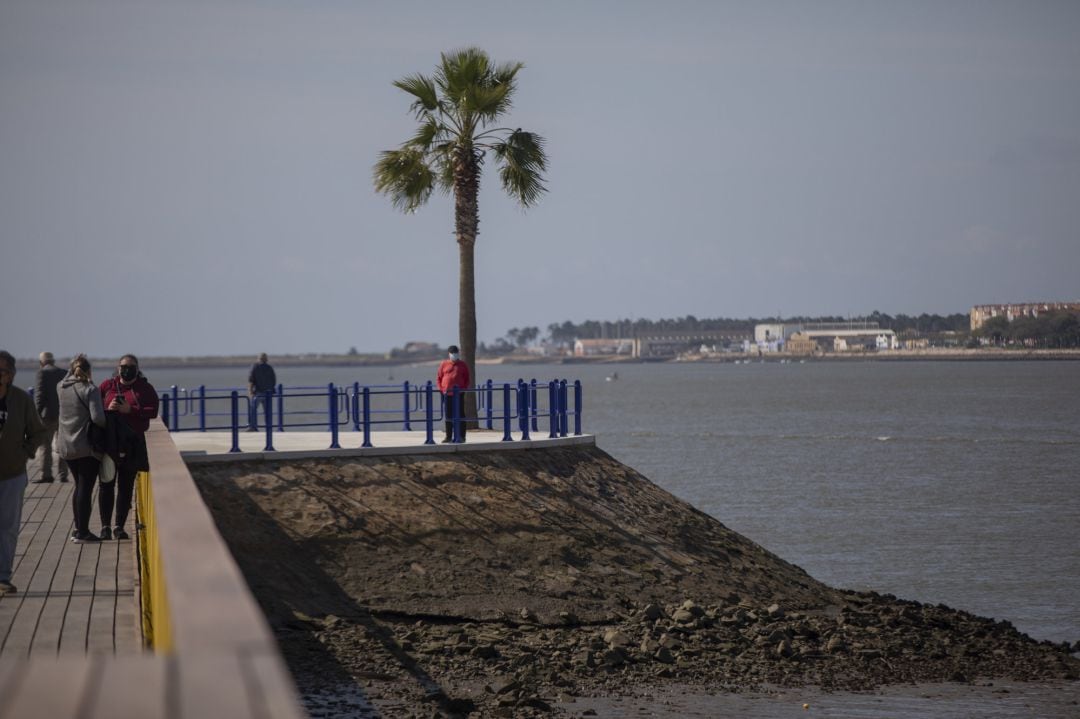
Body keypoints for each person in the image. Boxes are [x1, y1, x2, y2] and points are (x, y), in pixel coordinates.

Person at [0, 350, 46, 596]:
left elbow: (39, 431)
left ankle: (3, 577)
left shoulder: (20, 400)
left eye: (3, 372)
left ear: (12, 375)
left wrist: (25, 452)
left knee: (7, 527)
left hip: (12, 473)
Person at [98, 354, 159, 541]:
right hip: (110, 445)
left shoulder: (145, 388)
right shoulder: (107, 386)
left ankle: (119, 527)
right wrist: (108, 406)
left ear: (137, 368)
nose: (126, 369)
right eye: (123, 366)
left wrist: (130, 410)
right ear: (118, 368)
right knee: (106, 485)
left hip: (132, 445)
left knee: (125, 487)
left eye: (131, 366)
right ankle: (105, 527)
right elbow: (94, 409)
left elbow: (153, 411)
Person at [56, 355, 107, 542]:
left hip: (66, 446)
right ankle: (83, 532)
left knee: (79, 487)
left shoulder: (60, 387)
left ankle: (78, 530)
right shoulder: (90, 389)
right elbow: (98, 418)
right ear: (88, 370)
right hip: (85, 446)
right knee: (85, 488)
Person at [32, 351, 69, 484]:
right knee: (62, 446)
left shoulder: (42, 373)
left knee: (45, 446)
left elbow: (39, 396)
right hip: (63, 415)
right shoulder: (64, 372)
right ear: (53, 361)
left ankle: (46, 475)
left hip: (47, 416)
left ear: (41, 362)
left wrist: (35, 415)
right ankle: (63, 474)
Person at [436, 344, 471, 443]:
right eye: (452, 353)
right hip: (446, 394)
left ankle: (462, 436)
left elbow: (467, 379)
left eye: (456, 353)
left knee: (460, 414)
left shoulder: (463, 365)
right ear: (449, 354)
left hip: (459, 394)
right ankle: (448, 437)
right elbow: (439, 378)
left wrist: (463, 389)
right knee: (448, 415)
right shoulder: (443, 364)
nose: (454, 355)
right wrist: (441, 389)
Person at [247, 352, 276, 431]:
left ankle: (253, 427)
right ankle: (268, 428)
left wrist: (250, 392)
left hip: (258, 393)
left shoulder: (255, 367)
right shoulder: (269, 368)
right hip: (268, 393)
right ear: (266, 359)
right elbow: (273, 381)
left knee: (252, 410)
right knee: (267, 412)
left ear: (258, 359)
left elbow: (251, 380)